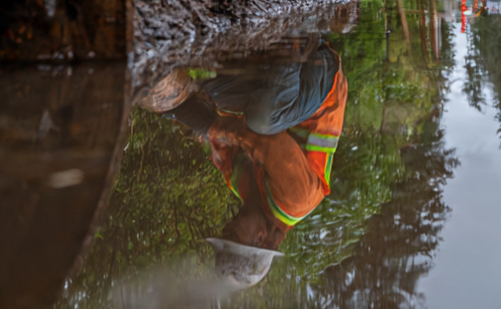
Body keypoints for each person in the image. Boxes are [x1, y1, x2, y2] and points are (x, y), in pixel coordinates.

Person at [140, 42, 347, 291]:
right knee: (262, 120)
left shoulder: (244, 189)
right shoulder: (297, 200)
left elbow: (215, 140)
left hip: (280, 95)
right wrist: (214, 126)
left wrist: (174, 107)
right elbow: (266, 140)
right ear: (260, 238)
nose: (226, 227)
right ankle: (298, 40)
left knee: (187, 96)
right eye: (231, 236)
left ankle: (267, 50)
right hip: (321, 82)